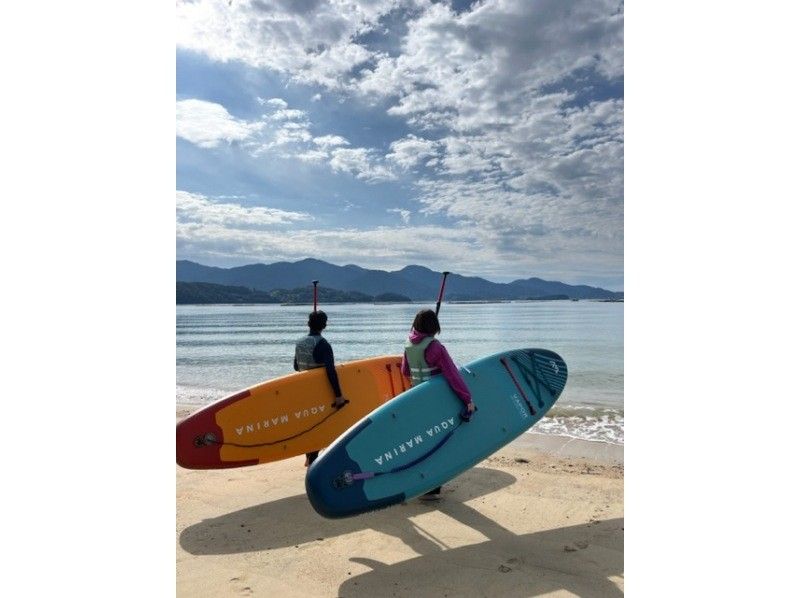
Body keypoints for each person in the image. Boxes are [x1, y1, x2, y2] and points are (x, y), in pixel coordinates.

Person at [401, 308, 475, 501]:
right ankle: (431, 489)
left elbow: (405, 371)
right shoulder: (436, 347)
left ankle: (417, 483)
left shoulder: (408, 344)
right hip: (435, 400)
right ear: (435, 326)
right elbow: (452, 375)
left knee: (422, 441)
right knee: (438, 444)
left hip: (416, 397)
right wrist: (467, 399)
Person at [294, 310, 347, 466]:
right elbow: (331, 370)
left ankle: (309, 456)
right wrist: (338, 395)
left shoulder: (299, 342)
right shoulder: (323, 344)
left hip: (304, 390)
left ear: (308, 324)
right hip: (320, 391)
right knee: (322, 424)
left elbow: (296, 366)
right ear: (324, 325)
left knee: (310, 423)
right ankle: (314, 461)